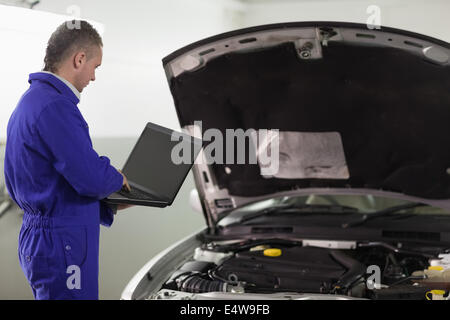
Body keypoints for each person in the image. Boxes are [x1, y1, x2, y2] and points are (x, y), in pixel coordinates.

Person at [4, 20, 132, 299]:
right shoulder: (55, 107)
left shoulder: (33, 101)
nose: (94, 77)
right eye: (95, 67)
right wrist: (117, 178)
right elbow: (88, 176)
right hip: (62, 244)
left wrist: (109, 204)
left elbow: (58, 182)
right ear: (79, 59)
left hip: (48, 238)